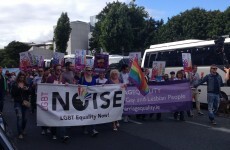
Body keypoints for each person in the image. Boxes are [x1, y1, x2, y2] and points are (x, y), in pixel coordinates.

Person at [46, 64, 69, 142]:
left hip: (61, 101)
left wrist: (66, 85)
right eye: (58, 70)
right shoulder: (50, 78)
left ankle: (63, 135)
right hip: (53, 101)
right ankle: (54, 133)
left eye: (60, 70)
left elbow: (66, 88)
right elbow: (46, 89)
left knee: (62, 117)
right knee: (54, 117)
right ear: (54, 70)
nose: (59, 71)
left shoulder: (63, 78)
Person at [78, 66, 99, 137]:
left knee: (93, 113)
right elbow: (78, 88)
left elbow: (96, 88)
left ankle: (93, 129)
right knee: (85, 114)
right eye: (88, 70)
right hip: (84, 98)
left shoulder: (94, 79)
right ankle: (84, 127)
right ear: (85, 71)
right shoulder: (82, 79)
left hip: (93, 99)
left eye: (90, 70)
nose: (89, 71)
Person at [11, 72, 30, 139]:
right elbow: (13, 94)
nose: (22, 78)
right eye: (20, 77)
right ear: (18, 77)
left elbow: (30, 93)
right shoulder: (14, 84)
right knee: (19, 117)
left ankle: (22, 129)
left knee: (25, 119)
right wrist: (18, 88)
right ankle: (20, 133)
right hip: (17, 102)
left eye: (23, 77)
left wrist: (27, 89)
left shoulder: (26, 84)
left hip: (25, 102)